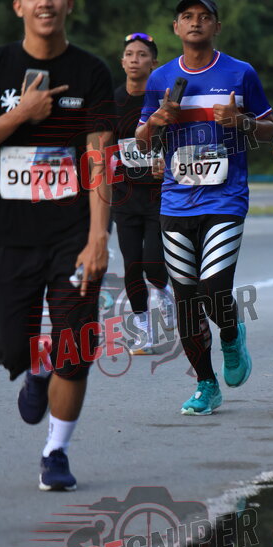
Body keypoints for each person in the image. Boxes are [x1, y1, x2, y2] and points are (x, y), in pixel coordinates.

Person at [0, 0, 114, 490]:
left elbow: (99, 158)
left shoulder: (92, 72)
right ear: (18, 6)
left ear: (69, 3)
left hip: (73, 235)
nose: (45, 1)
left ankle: (56, 452)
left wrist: (98, 238)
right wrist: (19, 115)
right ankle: (33, 368)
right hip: (11, 237)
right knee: (11, 345)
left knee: (75, 349)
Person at [135, 0, 273, 415]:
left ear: (217, 25)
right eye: (187, 16)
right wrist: (156, 121)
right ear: (176, 28)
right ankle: (206, 384)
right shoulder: (161, 78)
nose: (195, 22)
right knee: (186, 298)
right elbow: (143, 142)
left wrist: (242, 122)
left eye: (204, 16)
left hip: (225, 199)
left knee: (214, 289)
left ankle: (231, 336)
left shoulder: (241, 73)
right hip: (176, 203)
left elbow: (270, 129)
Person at [112, 32, 174, 354]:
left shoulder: (162, 101)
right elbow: (102, 147)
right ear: (122, 61)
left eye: (142, 55)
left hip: (158, 194)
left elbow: (179, 140)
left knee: (153, 261)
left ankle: (163, 292)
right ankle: (142, 330)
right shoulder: (112, 101)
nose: (135, 60)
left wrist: (168, 162)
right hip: (124, 195)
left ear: (154, 63)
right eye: (129, 54)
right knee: (131, 264)